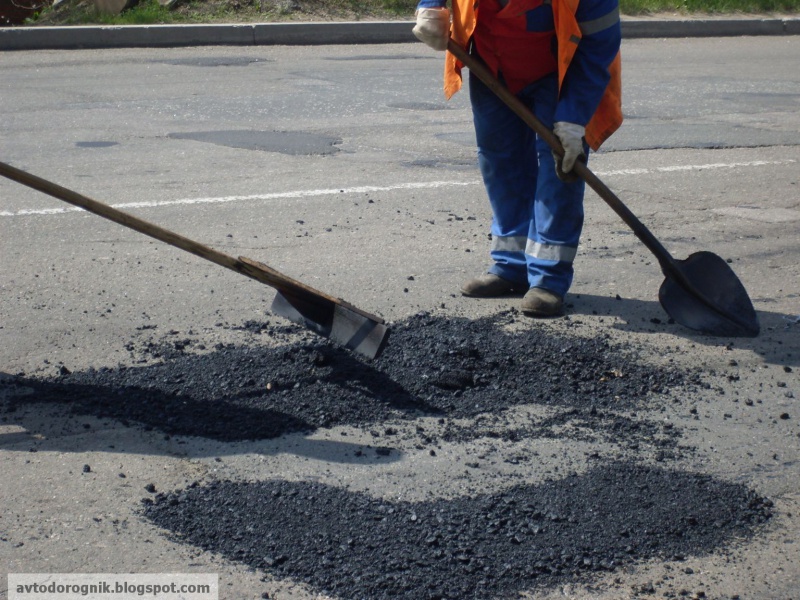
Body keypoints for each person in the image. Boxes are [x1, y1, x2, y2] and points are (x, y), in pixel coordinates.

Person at [412, 0, 622, 316]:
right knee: (500, 162)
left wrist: (573, 118)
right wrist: (430, 5)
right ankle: (511, 265)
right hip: (490, 60)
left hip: (559, 72)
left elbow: (598, 46)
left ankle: (548, 279)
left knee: (559, 168)